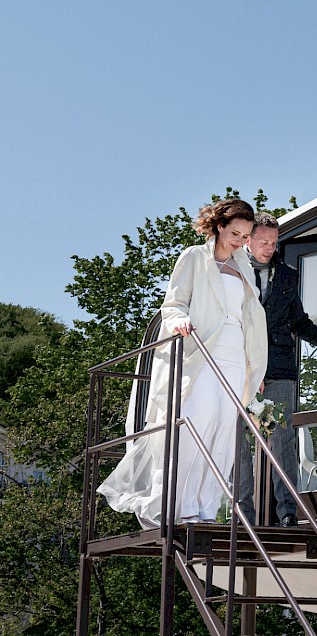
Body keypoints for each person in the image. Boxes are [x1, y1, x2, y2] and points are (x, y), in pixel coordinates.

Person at [98, 198, 268, 528]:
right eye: (235, 233)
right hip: (203, 351)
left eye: (246, 237)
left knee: (222, 433)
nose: (240, 242)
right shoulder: (194, 257)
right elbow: (173, 303)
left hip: (236, 357)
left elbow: (251, 316)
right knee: (195, 426)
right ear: (219, 227)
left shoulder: (244, 267)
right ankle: (178, 506)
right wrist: (178, 321)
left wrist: (255, 367)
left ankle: (205, 509)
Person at [237, 212, 317, 527]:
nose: (269, 247)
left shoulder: (287, 275)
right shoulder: (231, 270)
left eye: (274, 242)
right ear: (248, 239)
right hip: (240, 373)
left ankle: (288, 511)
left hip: (277, 371)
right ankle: (242, 514)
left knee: (279, 436)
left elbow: (297, 321)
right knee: (237, 438)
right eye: (263, 241)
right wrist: (251, 370)